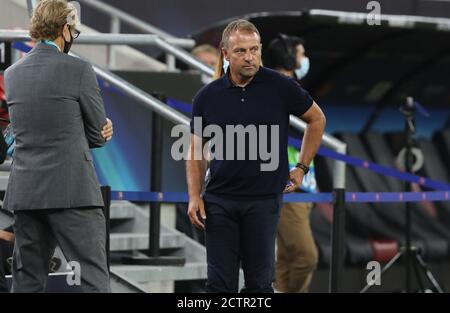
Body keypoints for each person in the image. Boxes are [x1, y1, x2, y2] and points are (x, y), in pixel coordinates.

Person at [186, 19, 326, 293]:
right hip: (219, 201)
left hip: (264, 201)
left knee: (259, 287)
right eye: (240, 51)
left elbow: (317, 120)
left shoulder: (280, 86)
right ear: (225, 53)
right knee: (219, 287)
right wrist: (193, 196)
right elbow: (196, 150)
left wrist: (301, 167)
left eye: (254, 49)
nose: (249, 57)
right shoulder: (207, 96)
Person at [3, 0, 113, 293]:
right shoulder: (79, 69)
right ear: (65, 29)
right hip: (73, 191)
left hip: (27, 193)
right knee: (93, 279)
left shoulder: (12, 74)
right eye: (74, 32)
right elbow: (97, 134)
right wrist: (102, 130)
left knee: (26, 281)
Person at [265, 34, 318, 293]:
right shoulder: (280, 87)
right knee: (307, 258)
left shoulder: (291, 88)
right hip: (287, 184)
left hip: (303, 185)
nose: (304, 59)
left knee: (286, 260)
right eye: (300, 53)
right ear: (288, 58)